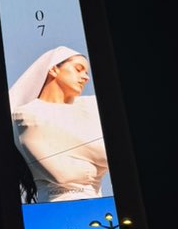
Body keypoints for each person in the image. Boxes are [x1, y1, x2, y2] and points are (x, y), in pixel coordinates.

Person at [8, 46, 109, 203]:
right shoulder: (26, 114)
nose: (86, 77)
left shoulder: (92, 105)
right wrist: (97, 159)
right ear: (53, 70)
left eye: (86, 72)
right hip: (57, 208)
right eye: (78, 69)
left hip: (99, 206)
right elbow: (63, 175)